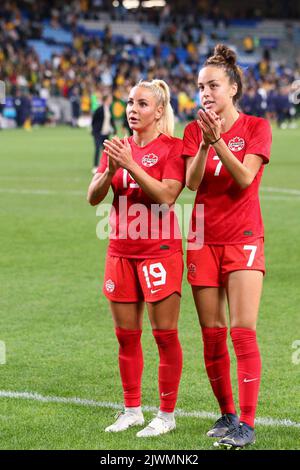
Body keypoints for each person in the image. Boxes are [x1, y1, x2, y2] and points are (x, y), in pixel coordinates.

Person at [182, 44, 272, 448]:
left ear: (233, 88)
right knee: (212, 333)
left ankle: (247, 425)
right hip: (202, 239)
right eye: (201, 86)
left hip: (243, 238)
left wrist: (218, 141)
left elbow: (244, 180)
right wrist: (203, 143)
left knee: (242, 331)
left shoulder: (256, 127)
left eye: (213, 85)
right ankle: (226, 415)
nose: (205, 93)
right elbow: (192, 183)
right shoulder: (192, 131)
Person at [87, 79, 185, 437]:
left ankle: (166, 415)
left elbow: (166, 197)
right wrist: (113, 169)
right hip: (120, 252)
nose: (133, 109)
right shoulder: (116, 148)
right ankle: (132, 410)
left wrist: (131, 165)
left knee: (164, 336)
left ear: (159, 111)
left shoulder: (173, 148)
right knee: (126, 337)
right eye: (130, 102)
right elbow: (93, 197)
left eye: (142, 103)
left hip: (159, 252)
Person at [91, 94, 116, 174]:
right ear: (106, 100)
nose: (111, 100)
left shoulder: (109, 109)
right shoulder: (99, 109)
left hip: (106, 134)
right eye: (110, 99)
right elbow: (93, 121)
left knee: (107, 150)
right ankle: (95, 166)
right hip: (98, 133)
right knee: (98, 149)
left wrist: (114, 129)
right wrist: (95, 131)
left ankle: (106, 165)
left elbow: (111, 120)